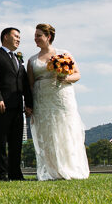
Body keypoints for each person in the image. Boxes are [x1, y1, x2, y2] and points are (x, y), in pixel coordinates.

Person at [26, 23, 90, 180]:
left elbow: (77, 75)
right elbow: (30, 85)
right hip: (42, 99)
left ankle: (70, 168)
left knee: (65, 130)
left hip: (62, 96)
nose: (35, 38)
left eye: (39, 35)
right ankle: (52, 170)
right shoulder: (32, 60)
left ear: (48, 37)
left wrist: (66, 77)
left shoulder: (64, 54)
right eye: (35, 35)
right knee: (47, 133)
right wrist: (29, 104)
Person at [0, 27, 33, 181]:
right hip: (1, 105)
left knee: (16, 143)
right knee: (0, 142)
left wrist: (29, 103)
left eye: (20, 37)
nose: (18, 39)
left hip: (18, 106)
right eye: (16, 36)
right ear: (6, 37)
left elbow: (24, 83)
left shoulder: (18, 59)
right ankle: (2, 174)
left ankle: (15, 173)